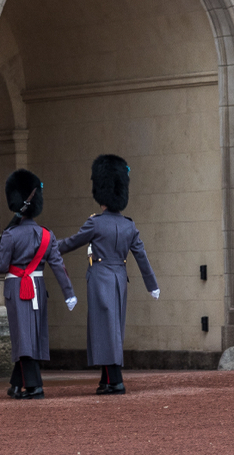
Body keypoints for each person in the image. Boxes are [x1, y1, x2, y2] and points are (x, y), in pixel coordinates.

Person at [56, 154, 159, 396]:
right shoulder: (129, 225)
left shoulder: (95, 223)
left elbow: (70, 243)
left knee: (104, 328)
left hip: (100, 277)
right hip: (120, 278)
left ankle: (115, 380)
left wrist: (46, 247)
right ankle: (106, 378)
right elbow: (141, 257)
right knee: (112, 327)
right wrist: (152, 285)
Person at [0, 169, 77, 399]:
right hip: (38, 289)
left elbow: (1, 265)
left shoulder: (11, 235)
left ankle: (34, 386)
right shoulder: (47, 235)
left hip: (17, 289)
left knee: (23, 338)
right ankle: (16, 384)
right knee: (31, 336)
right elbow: (58, 266)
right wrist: (69, 293)